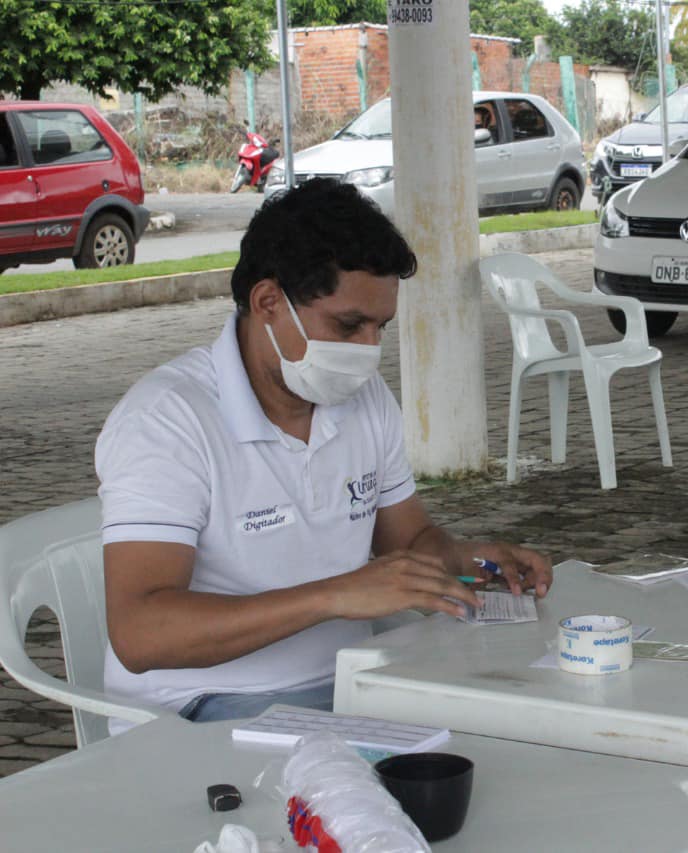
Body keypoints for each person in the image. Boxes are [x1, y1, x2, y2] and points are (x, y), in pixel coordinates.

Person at [96, 177, 552, 725]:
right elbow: (140, 633)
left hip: (353, 681)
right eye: (348, 325)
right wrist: (334, 596)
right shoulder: (167, 420)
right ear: (268, 302)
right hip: (200, 709)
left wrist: (468, 559)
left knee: (527, 722)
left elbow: (407, 540)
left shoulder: (363, 399)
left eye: (380, 327)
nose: (368, 351)